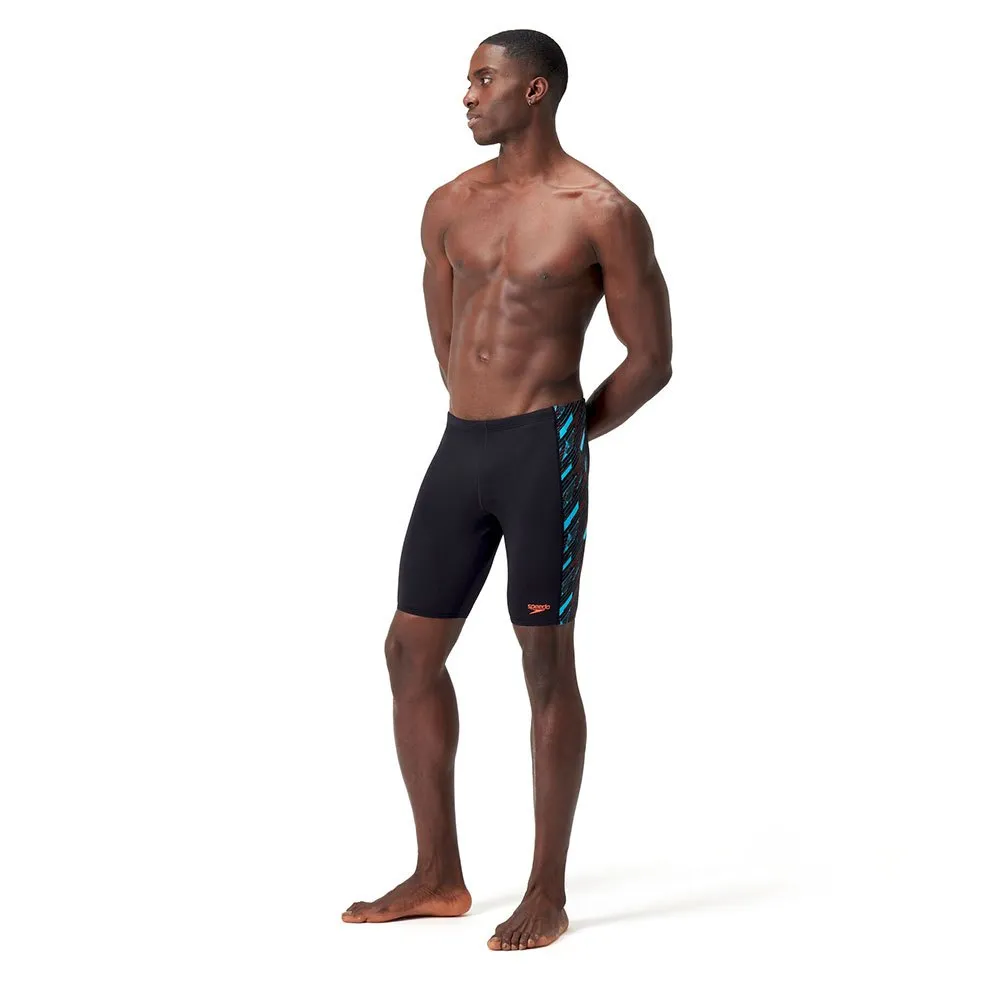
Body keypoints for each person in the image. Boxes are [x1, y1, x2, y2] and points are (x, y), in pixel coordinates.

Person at [342, 28, 672, 951]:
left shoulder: (601, 210)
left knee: (543, 665)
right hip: (460, 446)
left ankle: (547, 891)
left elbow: (652, 359)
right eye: (468, 79)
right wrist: (483, 412)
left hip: (542, 448)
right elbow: (447, 336)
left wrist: (564, 434)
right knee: (408, 653)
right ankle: (438, 875)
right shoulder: (449, 204)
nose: (467, 95)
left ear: (536, 91)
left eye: (484, 79)